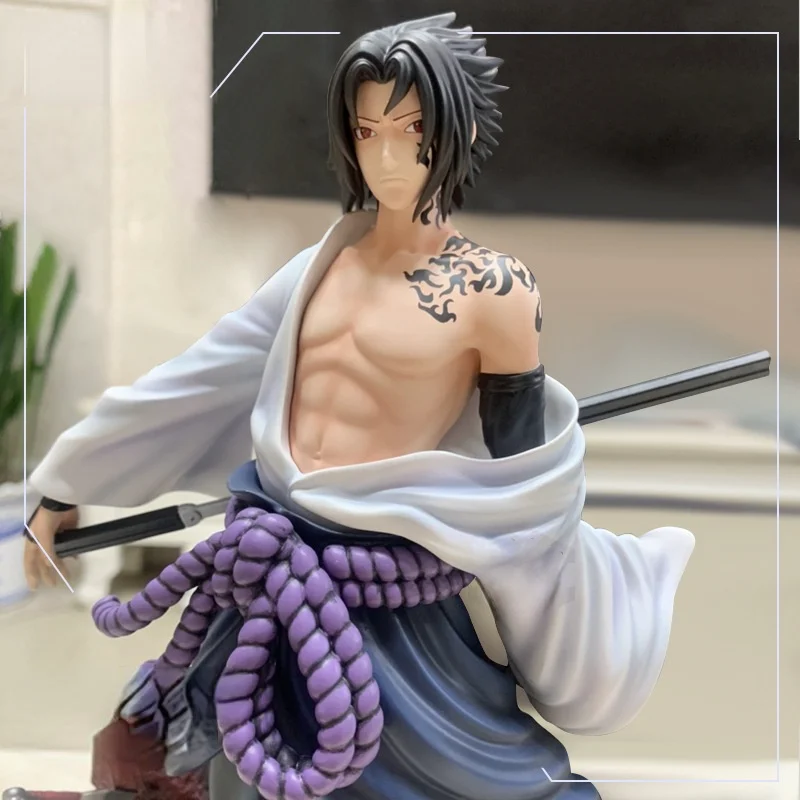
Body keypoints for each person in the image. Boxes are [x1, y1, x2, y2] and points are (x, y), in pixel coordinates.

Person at [24, 13, 694, 800]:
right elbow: (198, 379)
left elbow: (517, 484)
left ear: (458, 131)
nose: (387, 157)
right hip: (266, 568)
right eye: (368, 131)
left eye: (411, 131)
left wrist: (542, 579)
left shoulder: (496, 291)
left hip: (385, 590)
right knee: (156, 751)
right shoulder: (318, 269)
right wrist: (68, 477)